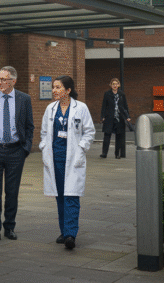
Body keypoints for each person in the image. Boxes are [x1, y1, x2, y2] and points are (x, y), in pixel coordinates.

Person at [0, 66, 35, 242]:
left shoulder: (24, 99)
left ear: (13, 81)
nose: (0, 82)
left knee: (12, 192)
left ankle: (9, 227)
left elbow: (29, 126)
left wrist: (25, 148)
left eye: (4, 79)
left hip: (15, 151)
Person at [39, 75, 95, 250]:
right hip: (55, 157)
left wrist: (81, 148)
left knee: (71, 195)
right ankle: (63, 231)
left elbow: (89, 132)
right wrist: (43, 146)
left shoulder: (81, 108)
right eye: (53, 87)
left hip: (73, 157)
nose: (54, 91)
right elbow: (44, 132)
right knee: (60, 196)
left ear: (68, 90)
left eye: (58, 87)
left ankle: (71, 234)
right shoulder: (50, 109)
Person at [100, 78, 130, 159]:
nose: (115, 85)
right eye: (113, 84)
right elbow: (104, 106)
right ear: (110, 85)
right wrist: (102, 116)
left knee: (118, 136)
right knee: (107, 135)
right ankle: (104, 153)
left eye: (116, 84)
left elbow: (125, 106)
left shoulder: (121, 94)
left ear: (119, 85)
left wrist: (127, 116)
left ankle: (117, 154)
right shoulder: (107, 94)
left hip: (119, 118)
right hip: (109, 117)